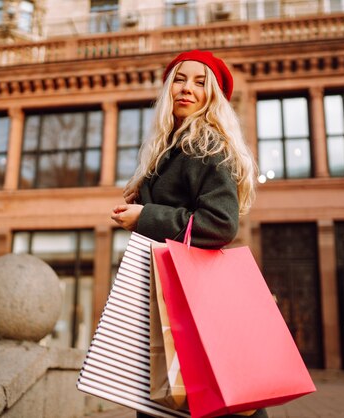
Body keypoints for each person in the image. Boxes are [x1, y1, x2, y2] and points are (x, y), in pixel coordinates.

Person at [110, 50, 266, 418]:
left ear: (212, 94)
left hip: (187, 299)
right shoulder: (171, 147)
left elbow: (220, 224)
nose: (187, 89)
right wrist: (144, 196)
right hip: (173, 292)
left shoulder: (205, 145)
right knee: (177, 393)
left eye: (200, 82)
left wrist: (147, 215)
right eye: (179, 79)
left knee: (184, 395)